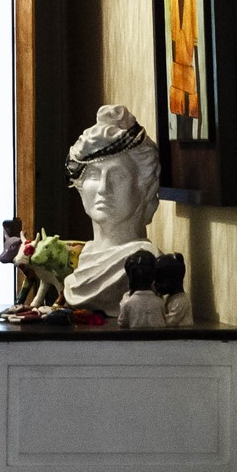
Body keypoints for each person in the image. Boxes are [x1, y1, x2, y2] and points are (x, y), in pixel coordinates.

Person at [62, 105, 161, 315]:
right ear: (80, 186)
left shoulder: (144, 262)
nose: (103, 189)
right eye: (93, 176)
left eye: (118, 176)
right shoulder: (86, 255)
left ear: (144, 188)